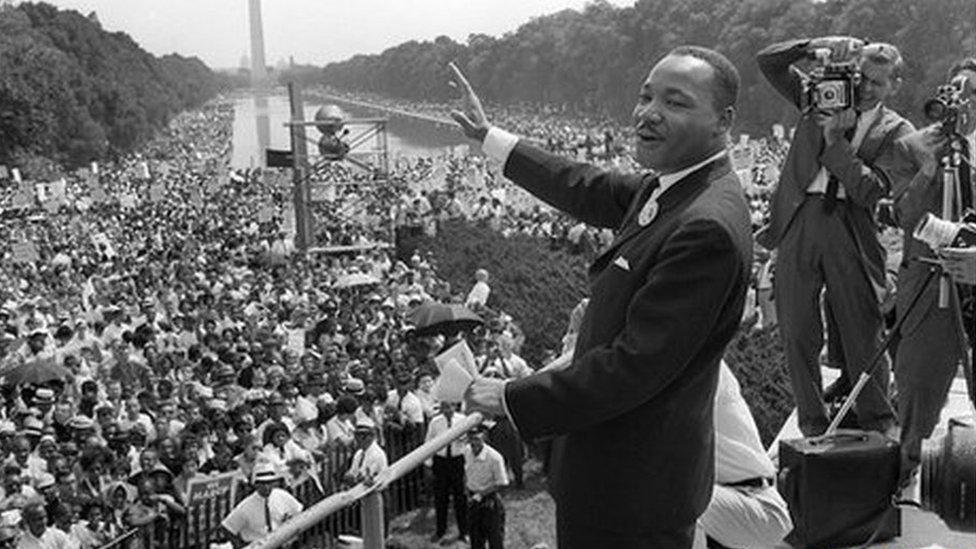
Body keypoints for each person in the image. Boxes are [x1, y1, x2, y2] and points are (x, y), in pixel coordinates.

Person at [452, 44, 753, 546]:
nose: (649, 113)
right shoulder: (675, 188)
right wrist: (490, 139)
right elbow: (585, 185)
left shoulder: (706, 225)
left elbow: (634, 366)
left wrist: (511, 396)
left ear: (723, 120)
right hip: (619, 475)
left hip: (634, 490)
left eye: (675, 102)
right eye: (645, 96)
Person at [755, 37, 913, 437]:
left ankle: (878, 422)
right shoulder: (820, 95)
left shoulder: (898, 131)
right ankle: (812, 422)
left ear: (894, 85)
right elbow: (769, 62)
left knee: (863, 328)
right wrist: (813, 45)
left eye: (878, 83)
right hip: (799, 217)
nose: (866, 88)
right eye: (862, 77)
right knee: (796, 328)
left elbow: (871, 190)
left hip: (851, 225)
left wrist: (835, 143)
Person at [888, 57, 976, 484]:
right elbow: (903, 215)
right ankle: (905, 469)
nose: (967, 103)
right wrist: (928, 171)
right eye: (961, 92)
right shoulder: (914, 146)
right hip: (930, 285)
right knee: (919, 388)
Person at [219, 462, 303, 548]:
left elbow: (300, 512)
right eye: (263, 483)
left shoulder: (282, 496)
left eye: (269, 483)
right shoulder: (245, 506)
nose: (266, 487)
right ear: (256, 484)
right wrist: (240, 546)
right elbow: (227, 527)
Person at [424, 402, 468, 544]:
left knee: (460, 497)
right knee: (440, 497)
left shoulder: (463, 420)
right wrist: (429, 465)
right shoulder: (435, 423)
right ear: (441, 408)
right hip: (441, 461)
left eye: (450, 407)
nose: (448, 410)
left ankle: (464, 531)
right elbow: (428, 443)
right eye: (445, 407)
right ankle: (440, 530)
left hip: (458, 460)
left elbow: (467, 441)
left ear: (454, 407)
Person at [463, 425, 508, 549]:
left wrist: (481, 494)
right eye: (471, 439)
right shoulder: (467, 451)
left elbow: (502, 482)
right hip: (473, 501)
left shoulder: (494, 457)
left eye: (477, 439)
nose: (474, 443)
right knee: (476, 540)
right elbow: (467, 471)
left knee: (495, 541)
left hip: (490, 502)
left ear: (484, 438)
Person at [342, 417, 387, 487]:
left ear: (371, 436)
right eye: (357, 435)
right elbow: (353, 473)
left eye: (363, 436)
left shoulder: (377, 454)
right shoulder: (359, 454)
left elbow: (369, 478)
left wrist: (355, 479)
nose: (358, 439)